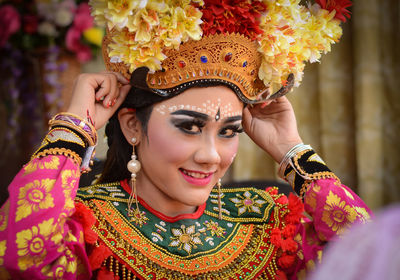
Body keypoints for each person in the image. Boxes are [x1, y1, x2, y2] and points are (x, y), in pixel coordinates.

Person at [0, 0, 371, 279]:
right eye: (189, 127)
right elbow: (21, 254)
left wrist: (292, 150)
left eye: (228, 131)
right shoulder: (88, 224)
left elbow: (372, 252)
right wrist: (73, 127)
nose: (212, 156)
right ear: (132, 126)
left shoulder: (268, 221)